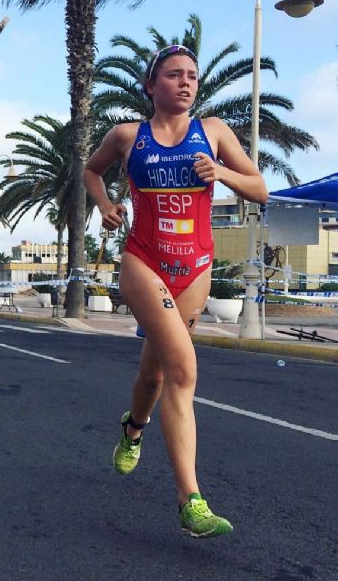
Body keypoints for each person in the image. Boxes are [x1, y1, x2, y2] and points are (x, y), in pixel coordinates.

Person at [84, 44, 268, 538]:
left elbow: (260, 189)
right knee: (184, 369)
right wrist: (103, 204)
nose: (186, 83)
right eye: (173, 75)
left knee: (156, 374)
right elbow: (90, 170)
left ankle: (133, 428)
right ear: (150, 86)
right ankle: (191, 501)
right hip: (144, 262)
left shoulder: (214, 133)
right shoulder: (128, 136)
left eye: (192, 75)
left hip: (196, 269)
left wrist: (223, 172)